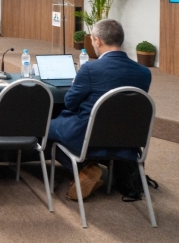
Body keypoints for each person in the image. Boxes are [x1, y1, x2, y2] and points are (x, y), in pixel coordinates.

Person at [48, 19, 152, 201]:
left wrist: (75, 85)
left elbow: (70, 103)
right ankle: (93, 166)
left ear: (97, 41)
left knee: (46, 128)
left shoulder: (90, 69)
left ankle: (84, 169)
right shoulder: (144, 72)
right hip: (128, 138)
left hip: (88, 136)